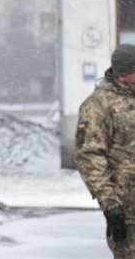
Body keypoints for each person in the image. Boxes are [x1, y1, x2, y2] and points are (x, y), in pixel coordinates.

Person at [77, 44, 135, 259]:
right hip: (127, 208)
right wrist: (110, 205)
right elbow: (90, 156)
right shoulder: (98, 106)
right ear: (124, 73)